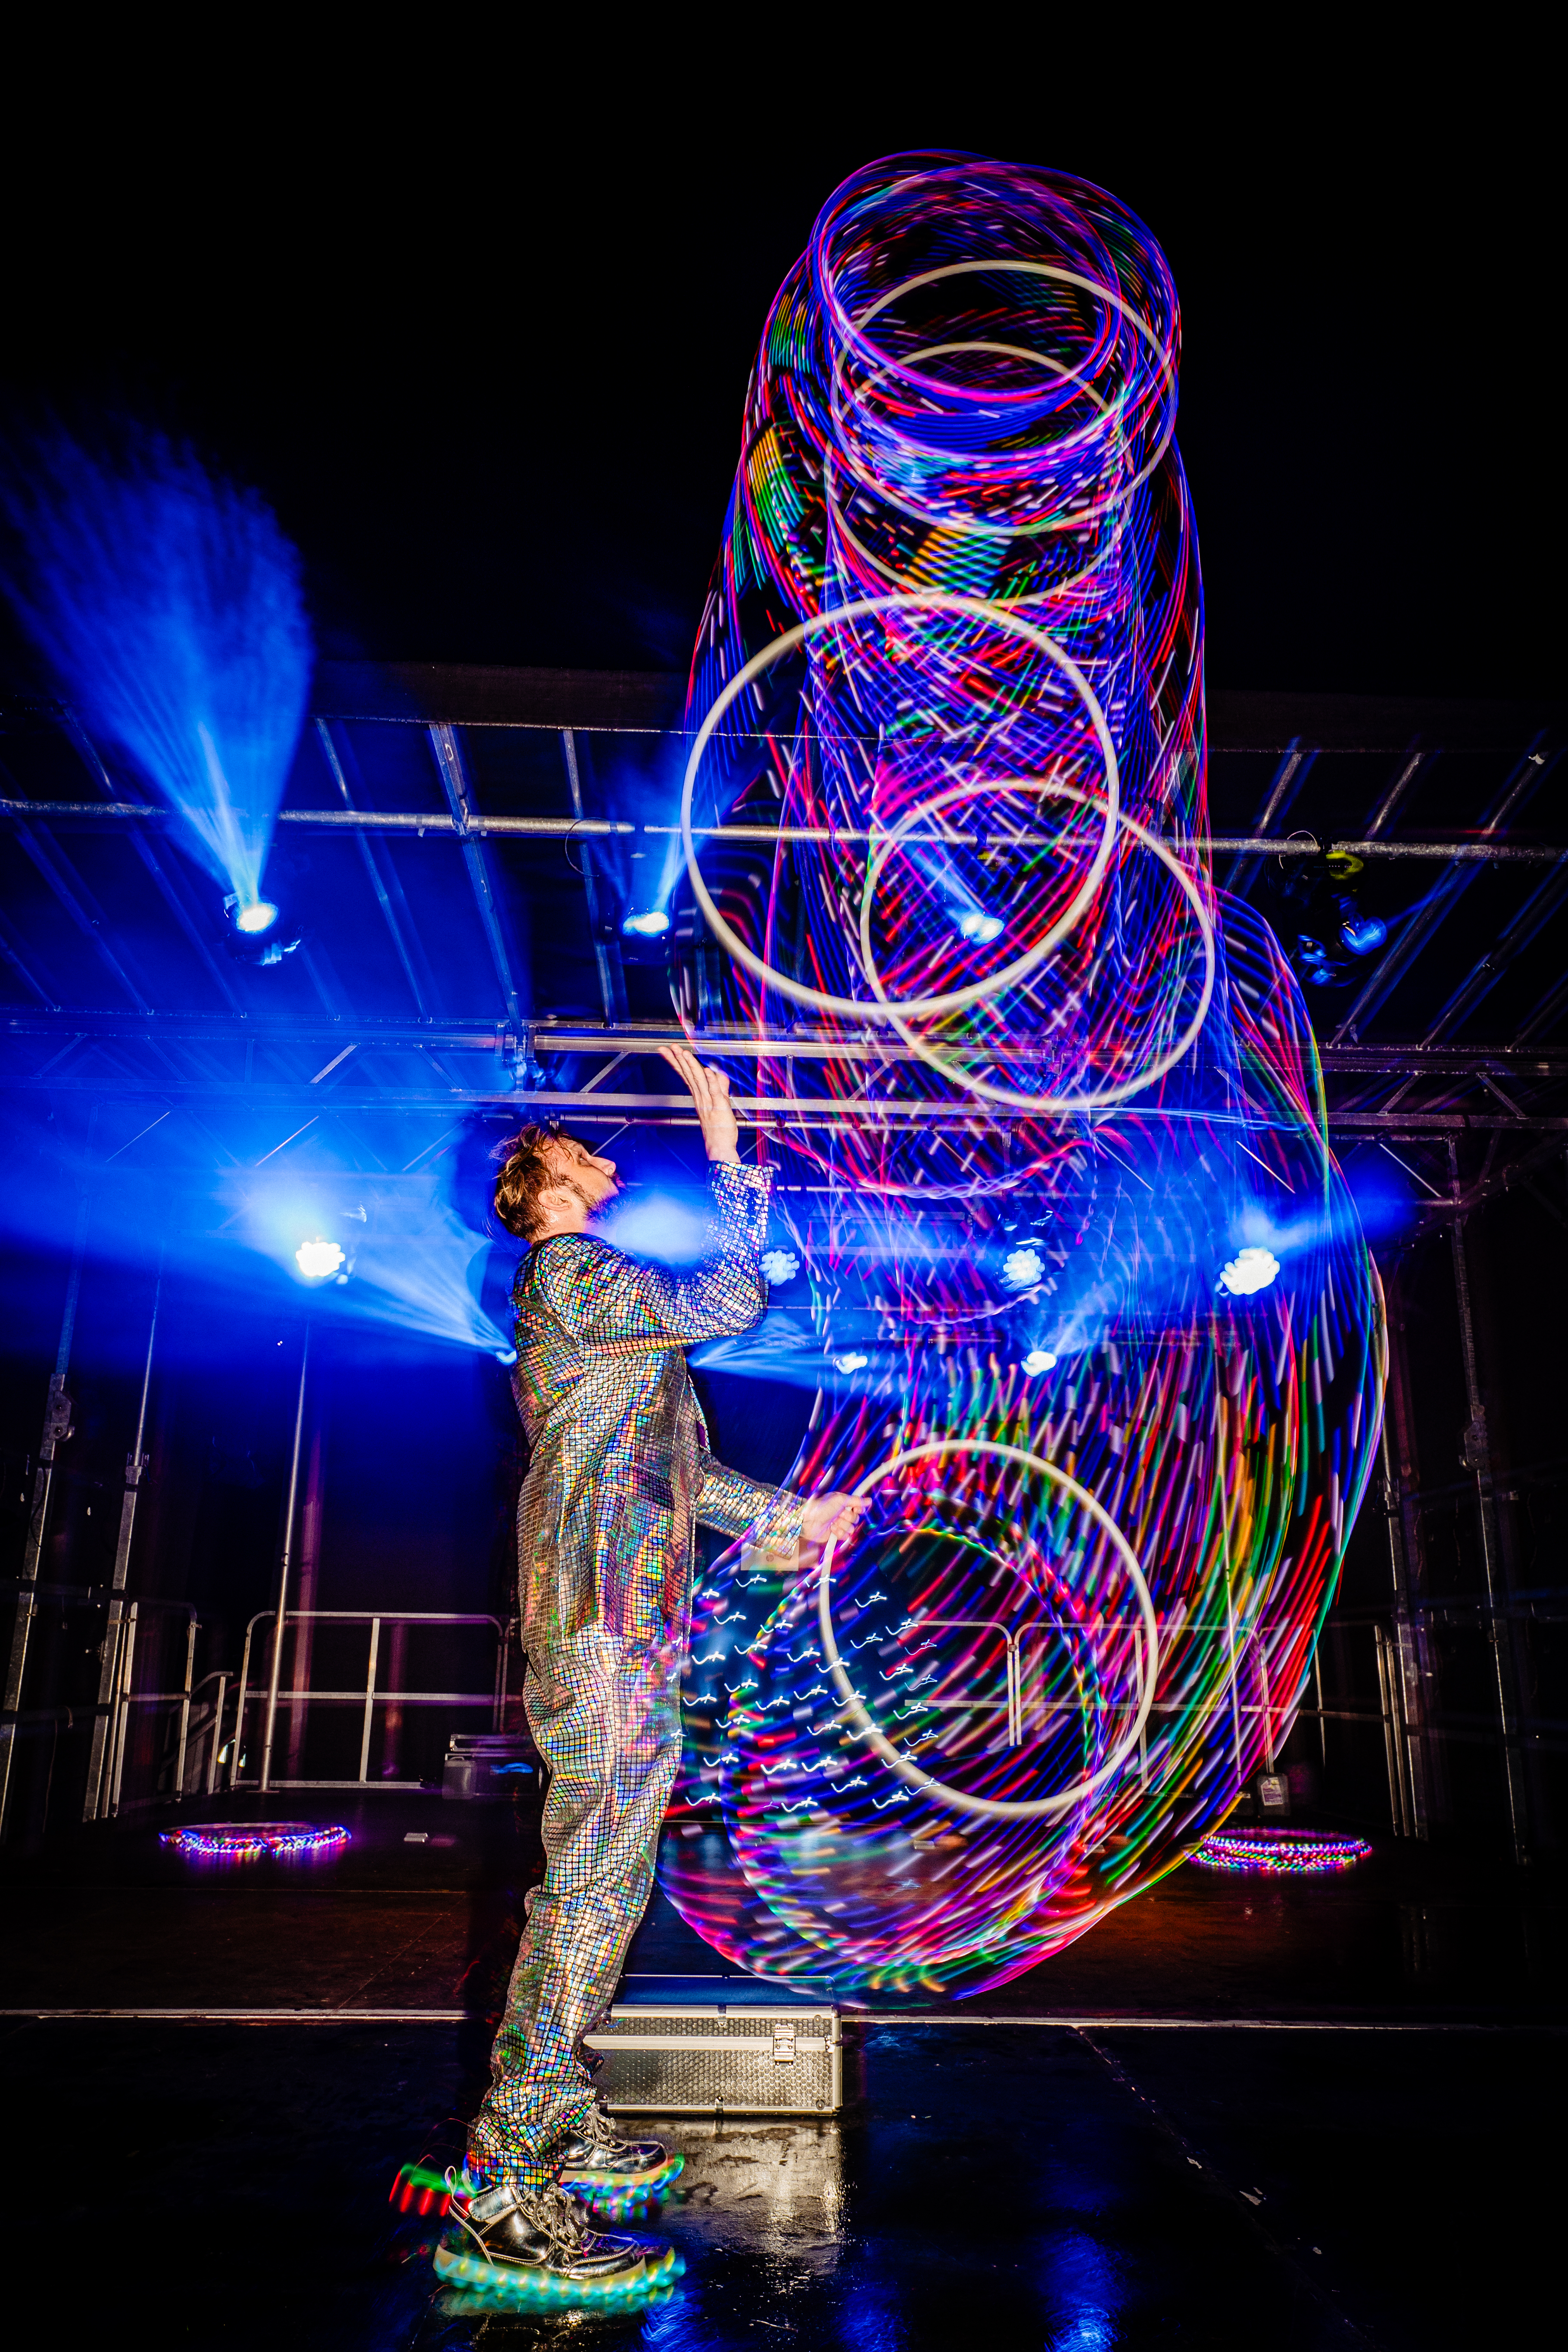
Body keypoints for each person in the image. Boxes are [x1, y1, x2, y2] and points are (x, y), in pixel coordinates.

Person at [436, 1045, 867, 2300]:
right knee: (590, 1878)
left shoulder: (599, 1311)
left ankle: (556, 2113)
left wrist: (795, 1513)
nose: (608, 1155)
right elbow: (734, 1297)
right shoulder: (573, 1267)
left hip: (626, 1611)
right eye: (585, 1148)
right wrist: (730, 1142)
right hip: (604, 1614)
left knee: (608, 1876)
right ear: (543, 1180)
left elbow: (681, 1477)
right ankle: (507, 2175)